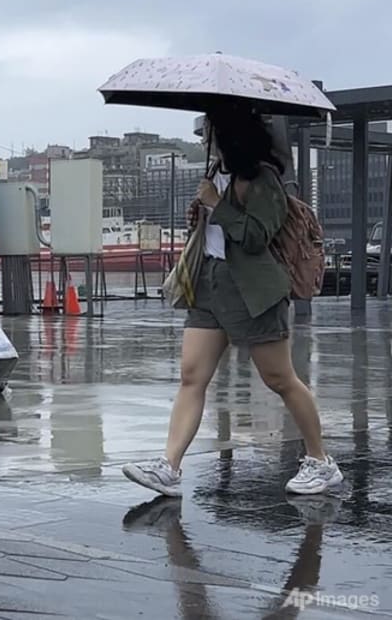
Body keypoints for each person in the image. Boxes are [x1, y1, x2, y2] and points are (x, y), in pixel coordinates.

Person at [122, 107, 342, 497]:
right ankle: (168, 467)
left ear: (228, 135)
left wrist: (218, 205)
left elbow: (257, 236)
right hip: (209, 285)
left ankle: (320, 461)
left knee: (279, 379)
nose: (203, 138)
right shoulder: (215, 174)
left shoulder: (262, 178)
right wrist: (203, 211)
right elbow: (217, 233)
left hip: (253, 290)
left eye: (208, 131)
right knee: (192, 376)